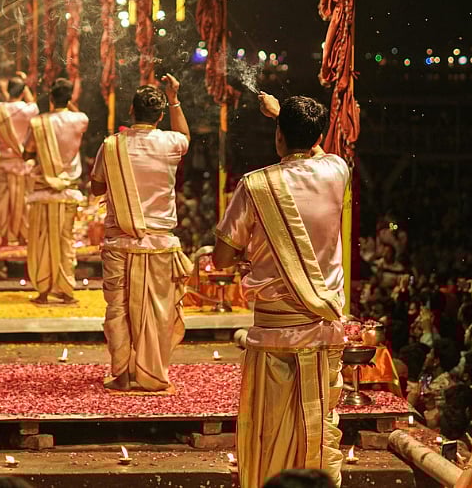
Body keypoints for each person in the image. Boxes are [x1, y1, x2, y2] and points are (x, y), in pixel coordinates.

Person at [212, 93, 349, 488]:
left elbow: (221, 258)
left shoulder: (256, 186)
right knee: (317, 429)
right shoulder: (337, 170)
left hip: (274, 334)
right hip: (323, 333)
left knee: (269, 432)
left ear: (277, 138)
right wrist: (283, 118)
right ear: (319, 134)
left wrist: (253, 255)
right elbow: (319, 152)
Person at [90, 77, 190, 393]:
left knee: (117, 308)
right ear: (160, 116)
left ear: (130, 111)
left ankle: (121, 373)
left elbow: (96, 187)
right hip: (160, 244)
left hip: (119, 242)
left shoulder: (111, 146)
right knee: (158, 312)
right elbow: (185, 135)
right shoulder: (171, 143)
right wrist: (175, 98)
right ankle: (152, 375)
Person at [24, 78, 89, 305]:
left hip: (43, 191)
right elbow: (76, 114)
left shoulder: (39, 123)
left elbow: (27, 152)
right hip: (68, 191)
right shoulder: (81, 119)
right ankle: (66, 291)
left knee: (42, 242)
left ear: (50, 98)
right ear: (70, 99)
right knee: (66, 242)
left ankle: (43, 292)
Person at [0, 73, 38, 246]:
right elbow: (33, 104)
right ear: (23, 91)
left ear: (8, 91)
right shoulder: (30, 109)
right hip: (24, 163)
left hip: (5, 161)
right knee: (24, 200)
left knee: (3, 200)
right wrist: (26, 86)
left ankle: (4, 236)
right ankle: (23, 235)